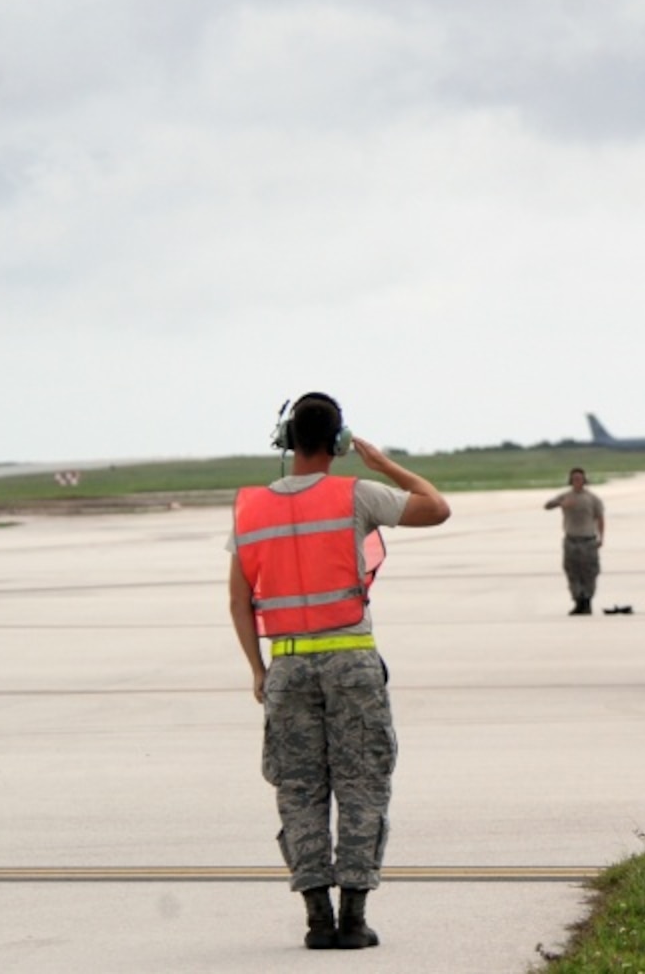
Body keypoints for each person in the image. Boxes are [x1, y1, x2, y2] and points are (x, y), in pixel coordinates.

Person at [228, 392, 450, 949]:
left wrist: (259, 670)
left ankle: (316, 918)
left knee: (299, 789)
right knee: (361, 784)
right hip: (351, 661)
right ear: (340, 442)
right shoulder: (357, 494)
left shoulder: (251, 509)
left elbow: (238, 601)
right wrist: (382, 463)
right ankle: (353, 918)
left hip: (288, 665)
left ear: (285, 440)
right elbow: (436, 506)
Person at [544, 467, 605, 615]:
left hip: (588, 541)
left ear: (584, 480)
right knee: (572, 572)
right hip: (571, 540)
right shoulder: (565, 496)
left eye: (580, 478)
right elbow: (547, 506)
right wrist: (560, 504)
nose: (577, 481)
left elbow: (600, 519)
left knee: (590, 573)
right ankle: (578, 601)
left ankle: (587, 601)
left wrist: (601, 537)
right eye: (574, 478)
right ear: (571, 481)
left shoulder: (593, 498)